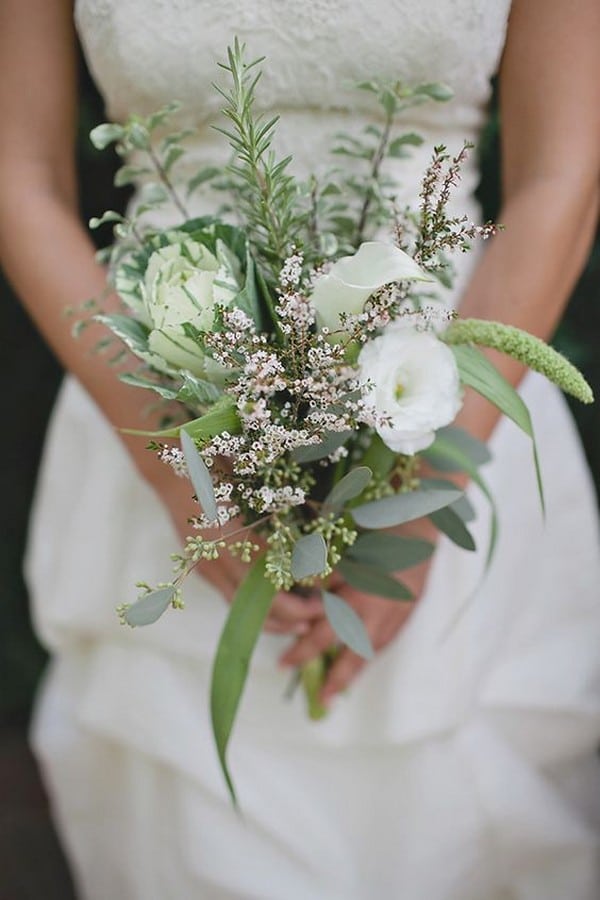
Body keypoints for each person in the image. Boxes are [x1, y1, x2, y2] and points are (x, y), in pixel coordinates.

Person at [1, 0, 599, 897]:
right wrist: (176, 462)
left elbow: (563, 172)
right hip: (161, 411)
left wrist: (425, 489)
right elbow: (23, 172)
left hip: (449, 405)